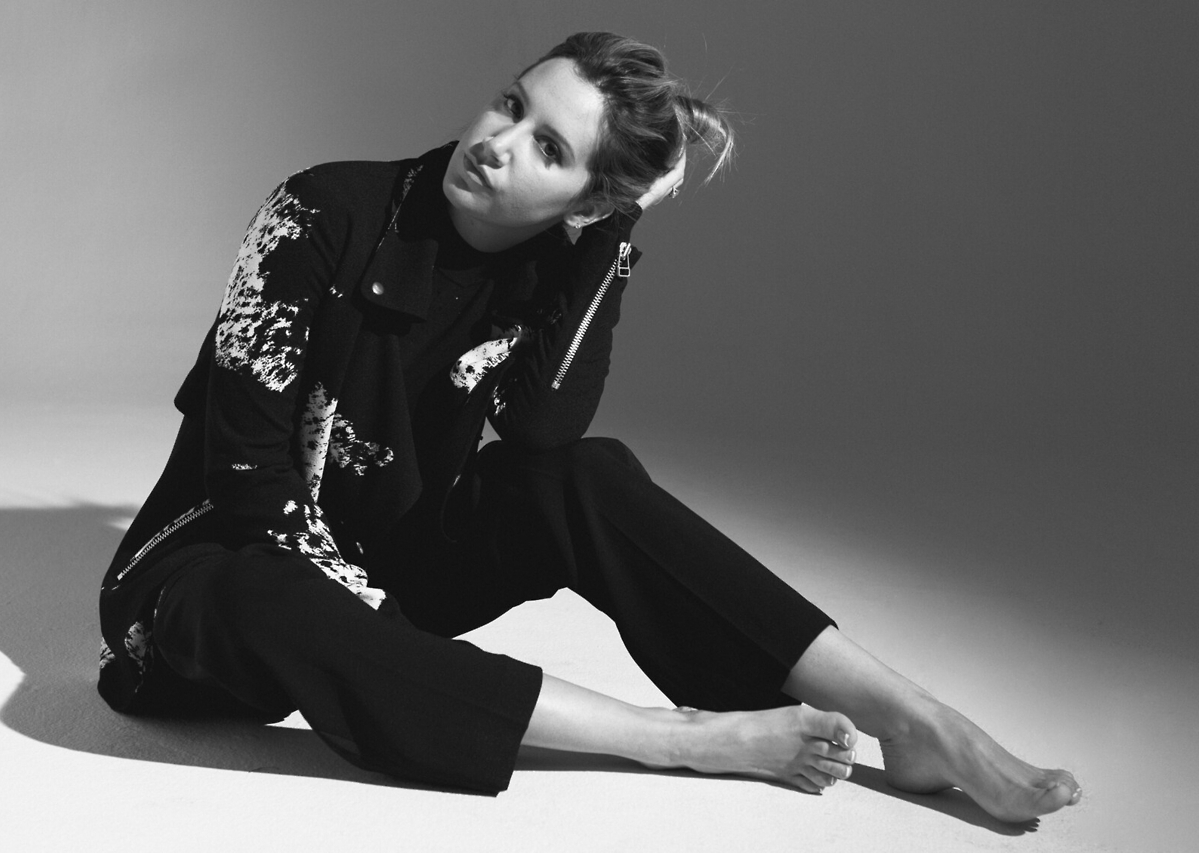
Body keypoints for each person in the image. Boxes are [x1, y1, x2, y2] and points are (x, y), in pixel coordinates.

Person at [97, 32, 1081, 822]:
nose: (497, 142)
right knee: (264, 587)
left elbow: (540, 437)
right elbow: (248, 489)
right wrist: (388, 637)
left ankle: (912, 718)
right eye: (511, 104)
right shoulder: (319, 212)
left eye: (549, 150)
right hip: (206, 585)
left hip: (376, 574)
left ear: (590, 196)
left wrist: (608, 237)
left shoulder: (547, 273)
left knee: (588, 475)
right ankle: (680, 737)